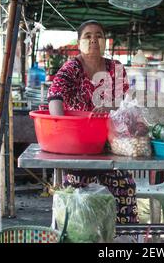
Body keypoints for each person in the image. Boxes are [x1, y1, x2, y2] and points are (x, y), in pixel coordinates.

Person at [47, 20, 139, 224]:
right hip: (79, 146)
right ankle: (76, 232)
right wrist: (61, 127)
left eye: (99, 35)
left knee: (124, 187)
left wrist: (110, 107)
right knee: (77, 194)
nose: (94, 39)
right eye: (88, 36)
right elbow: (55, 96)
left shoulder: (115, 68)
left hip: (110, 144)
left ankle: (122, 237)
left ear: (105, 41)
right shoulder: (72, 68)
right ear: (79, 42)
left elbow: (126, 103)